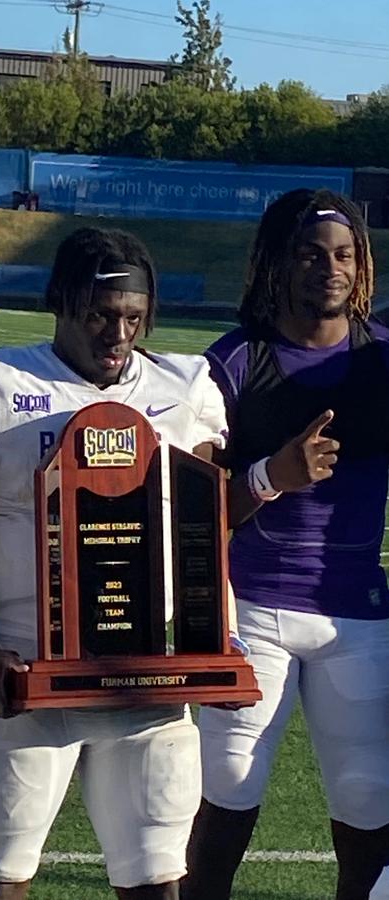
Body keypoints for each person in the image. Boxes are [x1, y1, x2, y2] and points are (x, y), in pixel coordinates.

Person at [0, 226, 232, 900]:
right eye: (98, 315)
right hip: (32, 678)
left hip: (149, 681)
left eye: (133, 318)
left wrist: (210, 638)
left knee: (155, 883)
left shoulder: (186, 384)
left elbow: (206, 536)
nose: (117, 335)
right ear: (59, 303)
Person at [181, 189, 389, 900]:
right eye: (308, 253)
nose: (328, 268)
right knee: (227, 794)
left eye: (343, 253)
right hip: (253, 609)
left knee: (367, 804)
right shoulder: (232, 363)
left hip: (355, 614)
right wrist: (273, 475)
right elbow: (194, 518)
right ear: (276, 262)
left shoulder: (382, 359)